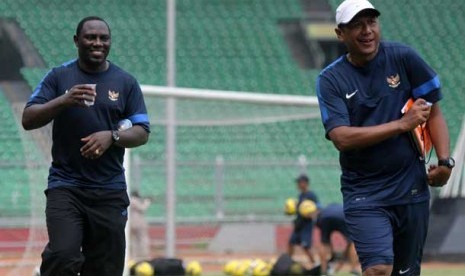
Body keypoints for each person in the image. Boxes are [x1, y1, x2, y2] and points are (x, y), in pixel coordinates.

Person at [316, 0, 454, 275]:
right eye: (357, 25)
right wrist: (401, 124)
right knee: (378, 269)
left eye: (372, 22)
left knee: (406, 273)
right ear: (340, 34)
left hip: (411, 189)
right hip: (365, 193)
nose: (367, 31)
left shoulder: (403, 57)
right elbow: (341, 138)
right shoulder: (331, 80)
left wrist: (444, 162)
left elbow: (434, 111)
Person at [22, 16, 150, 276]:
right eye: (91, 37)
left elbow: (142, 132)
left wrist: (111, 136)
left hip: (109, 190)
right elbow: (28, 118)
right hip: (66, 186)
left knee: (105, 269)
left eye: (104, 38)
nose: (97, 43)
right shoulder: (59, 76)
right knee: (62, 255)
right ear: (76, 40)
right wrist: (64, 100)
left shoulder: (125, 83)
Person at [316, 203, 360, 275]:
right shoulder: (348, 210)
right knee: (353, 242)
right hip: (343, 217)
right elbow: (350, 243)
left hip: (325, 217)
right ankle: (354, 268)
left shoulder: (326, 209)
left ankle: (323, 270)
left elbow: (327, 242)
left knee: (324, 243)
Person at [288, 174, 320, 265]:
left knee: (305, 246)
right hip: (299, 224)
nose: (298, 184)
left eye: (299, 182)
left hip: (306, 225)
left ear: (305, 183)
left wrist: (311, 214)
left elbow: (318, 208)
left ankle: (314, 264)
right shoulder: (301, 195)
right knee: (291, 243)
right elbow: (300, 210)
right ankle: (288, 262)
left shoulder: (311, 195)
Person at [130, 191, 152, 260]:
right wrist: (147, 201)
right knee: (142, 239)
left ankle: (134, 255)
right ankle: (143, 255)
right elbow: (142, 208)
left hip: (130, 222)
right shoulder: (134, 200)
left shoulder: (128, 199)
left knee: (133, 240)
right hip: (139, 222)